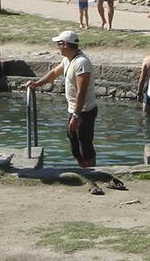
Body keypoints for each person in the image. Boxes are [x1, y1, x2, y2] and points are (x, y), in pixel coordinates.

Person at [22, 30, 98, 168]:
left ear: (65, 45)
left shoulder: (82, 63)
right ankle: (84, 169)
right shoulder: (68, 60)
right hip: (75, 110)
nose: (57, 47)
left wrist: (76, 115)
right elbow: (53, 73)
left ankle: (94, 172)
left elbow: (82, 91)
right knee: (74, 147)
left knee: (85, 146)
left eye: (58, 44)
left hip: (84, 111)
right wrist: (37, 84)